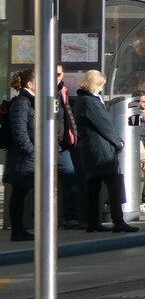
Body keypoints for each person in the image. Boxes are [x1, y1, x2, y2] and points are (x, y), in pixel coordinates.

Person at [72, 69, 138, 233]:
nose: (101, 89)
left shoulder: (82, 99)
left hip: (90, 149)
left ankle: (92, 222)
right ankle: (118, 221)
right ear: (95, 84)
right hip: (100, 149)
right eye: (100, 85)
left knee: (93, 186)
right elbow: (104, 125)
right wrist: (118, 142)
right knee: (114, 184)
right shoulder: (90, 101)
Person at [4, 70, 36, 241]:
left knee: (21, 192)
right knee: (19, 193)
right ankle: (17, 231)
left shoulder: (29, 101)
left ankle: (19, 230)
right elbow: (20, 132)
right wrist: (32, 150)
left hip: (25, 157)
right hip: (22, 158)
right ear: (30, 84)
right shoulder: (22, 103)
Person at [55, 65, 84, 228]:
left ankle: (70, 217)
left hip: (62, 142)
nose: (56, 77)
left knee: (70, 175)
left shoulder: (64, 90)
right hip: (53, 142)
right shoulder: (46, 90)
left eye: (59, 74)